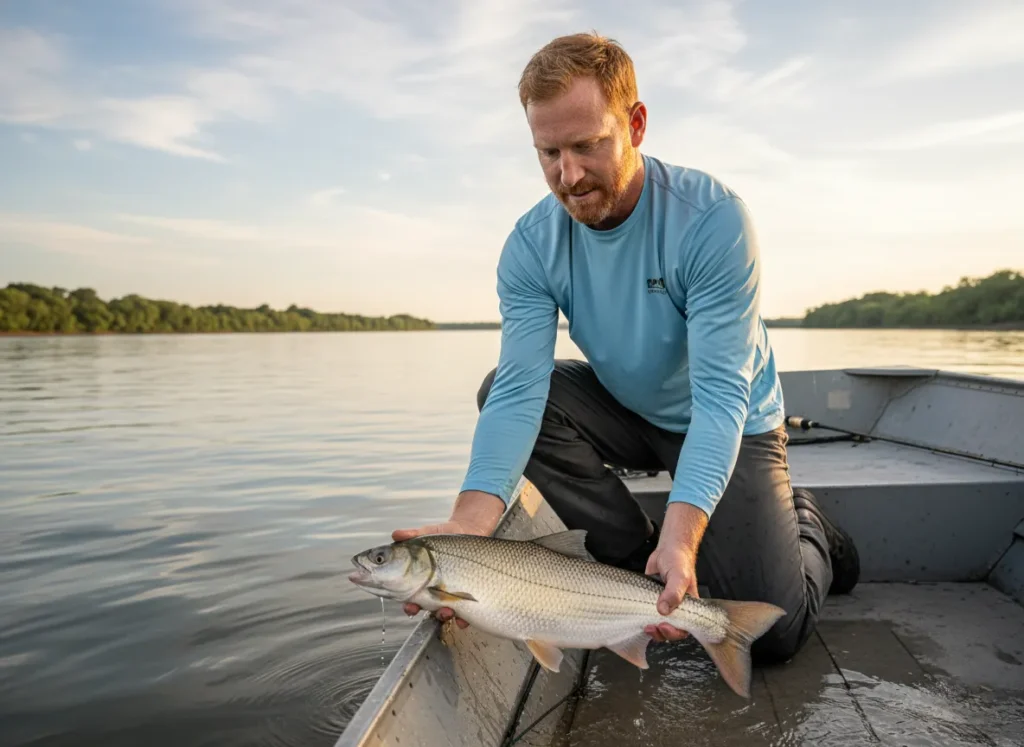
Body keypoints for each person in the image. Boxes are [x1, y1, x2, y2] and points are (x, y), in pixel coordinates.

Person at [393, 32, 859, 663]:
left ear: (635, 124)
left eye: (587, 146)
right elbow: (520, 391)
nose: (569, 175)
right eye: (548, 152)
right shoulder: (531, 245)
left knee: (773, 639)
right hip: (627, 410)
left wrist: (685, 535)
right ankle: (632, 573)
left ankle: (807, 525)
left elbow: (723, 397)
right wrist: (469, 529)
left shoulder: (712, 220)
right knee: (501, 385)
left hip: (733, 423)